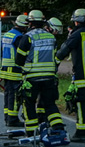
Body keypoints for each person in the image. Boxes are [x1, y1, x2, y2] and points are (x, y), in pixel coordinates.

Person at [12, 10, 66, 138]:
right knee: (49, 103)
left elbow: (19, 60)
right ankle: (58, 127)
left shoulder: (27, 37)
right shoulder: (51, 37)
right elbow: (55, 56)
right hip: (49, 77)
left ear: (29, 23)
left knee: (29, 103)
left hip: (32, 77)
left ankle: (32, 132)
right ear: (43, 23)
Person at [55, 8, 85, 142]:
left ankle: (81, 133)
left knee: (80, 103)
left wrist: (55, 63)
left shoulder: (76, 35)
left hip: (81, 76)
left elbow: (64, 49)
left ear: (76, 22)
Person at [0, 14, 28, 127]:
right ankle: (12, 119)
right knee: (15, 96)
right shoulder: (19, 37)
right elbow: (22, 54)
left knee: (8, 94)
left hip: (5, 69)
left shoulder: (7, 34)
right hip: (15, 69)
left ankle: (7, 117)